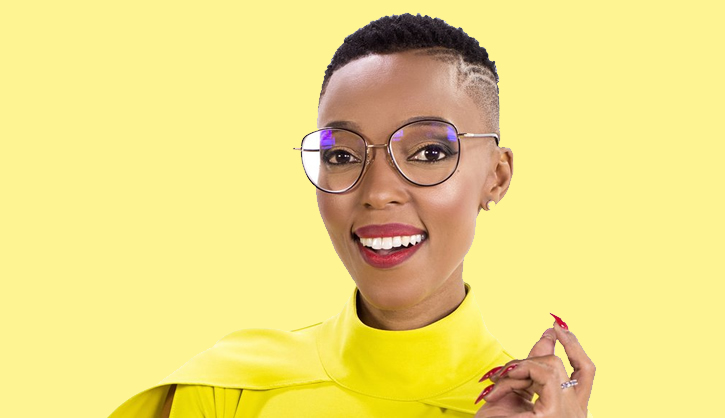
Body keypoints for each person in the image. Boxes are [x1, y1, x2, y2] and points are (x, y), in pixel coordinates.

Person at [109, 13, 595, 418]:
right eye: (342, 155)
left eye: (429, 152)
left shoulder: (539, 410)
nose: (378, 192)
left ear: (497, 177)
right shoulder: (228, 389)